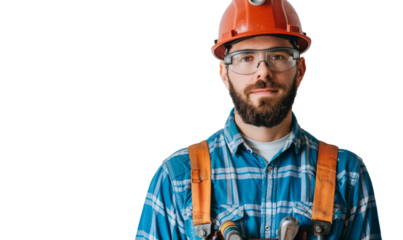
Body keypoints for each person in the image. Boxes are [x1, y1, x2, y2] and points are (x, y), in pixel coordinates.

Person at [134, 0, 382, 239]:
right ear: (224, 73)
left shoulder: (347, 173)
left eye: (278, 56)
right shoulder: (177, 176)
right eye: (246, 57)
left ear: (301, 69)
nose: (263, 71)